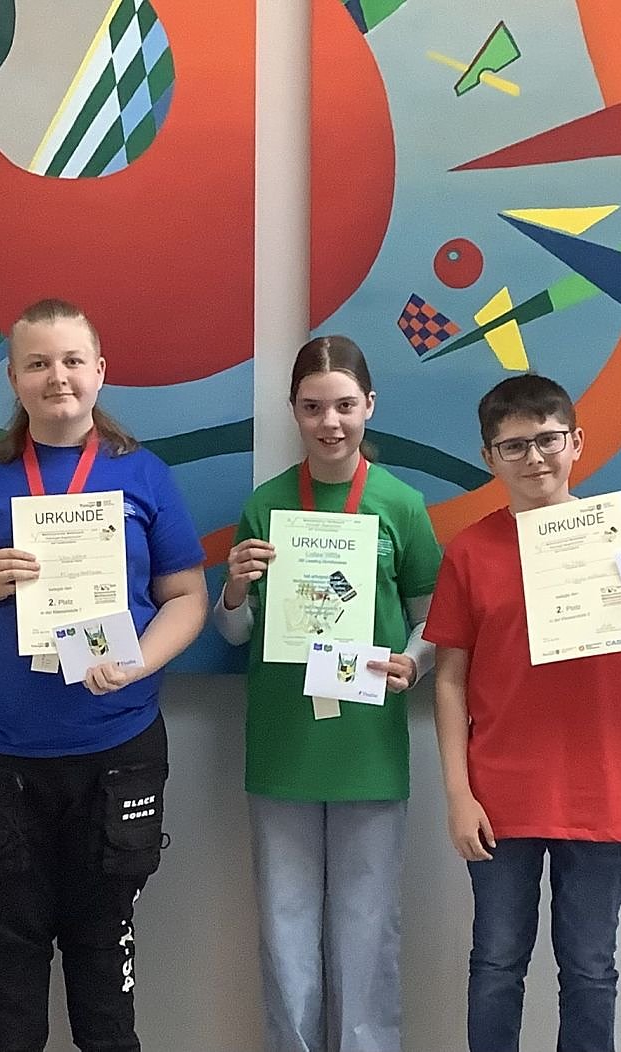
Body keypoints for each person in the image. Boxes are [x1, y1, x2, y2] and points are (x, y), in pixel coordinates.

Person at [0, 298, 207, 1052]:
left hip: (116, 747)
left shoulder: (142, 474)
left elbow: (187, 596)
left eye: (73, 360)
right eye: (38, 363)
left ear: (100, 371)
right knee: (9, 946)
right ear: (14, 378)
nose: (57, 377)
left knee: (103, 944)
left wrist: (138, 662)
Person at [423, 374, 621, 1052]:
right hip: (500, 793)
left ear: (576, 442)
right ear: (490, 458)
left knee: (591, 970)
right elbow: (448, 680)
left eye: (547, 440)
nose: (534, 458)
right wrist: (458, 794)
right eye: (514, 446)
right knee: (496, 964)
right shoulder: (469, 550)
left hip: (600, 787)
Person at [214, 335, 442, 1052]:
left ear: (369, 405)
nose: (330, 422)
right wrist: (234, 588)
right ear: (293, 411)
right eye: (313, 407)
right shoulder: (267, 505)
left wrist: (413, 662)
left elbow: (434, 620)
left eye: (344, 405)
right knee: (284, 932)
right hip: (284, 744)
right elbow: (233, 633)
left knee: (368, 931)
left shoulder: (402, 504)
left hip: (367, 744)